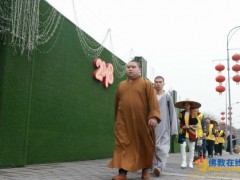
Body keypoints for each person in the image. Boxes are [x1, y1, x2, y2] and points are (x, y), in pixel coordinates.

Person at [108, 59, 161, 180]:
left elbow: (153, 101)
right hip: (124, 123)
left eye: (133, 67)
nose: (130, 69)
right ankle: (122, 174)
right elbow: (117, 104)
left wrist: (153, 116)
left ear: (139, 69)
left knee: (144, 145)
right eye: (128, 67)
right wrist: (117, 120)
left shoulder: (146, 83)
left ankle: (145, 171)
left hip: (142, 122)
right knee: (122, 145)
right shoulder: (121, 85)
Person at [152, 76, 178, 177]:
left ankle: (159, 167)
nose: (158, 84)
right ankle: (155, 166)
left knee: (163, 148)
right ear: (154, 83)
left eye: (160, 82)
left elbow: (172, 113)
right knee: (154, 147)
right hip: (153, 127)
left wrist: (173, 129)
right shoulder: (151, 96)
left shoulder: (167, 97)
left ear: (163, 83)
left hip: (165, 127)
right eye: (156, 82)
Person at [175, 98, 200, 168]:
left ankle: (190, 162)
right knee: (182, 146)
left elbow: (196, 124)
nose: (186, 106)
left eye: (188, 105)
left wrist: (189, 126)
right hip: (183, 132)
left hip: (192, 132)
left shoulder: (194, 113)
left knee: (191, 148)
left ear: (190, 105)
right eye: (185, 105)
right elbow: (179, 122)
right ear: (183, 106)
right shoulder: (180, 113)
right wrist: (183, 126)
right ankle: (184, 161)